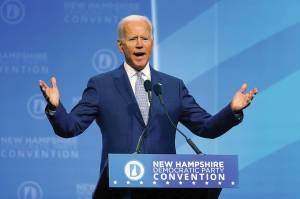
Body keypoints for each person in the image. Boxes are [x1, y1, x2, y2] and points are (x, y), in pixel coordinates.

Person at [39, 15, 257, 199]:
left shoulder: (173, 86)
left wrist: (232, 110)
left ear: (152, 42)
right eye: (133, 38)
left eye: (145, 38)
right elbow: (70, 127)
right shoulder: (101, 85)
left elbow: (206, 127)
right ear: (120, 45)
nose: (140, 44)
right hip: (120, 191)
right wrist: (55, 107)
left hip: (166, 191)